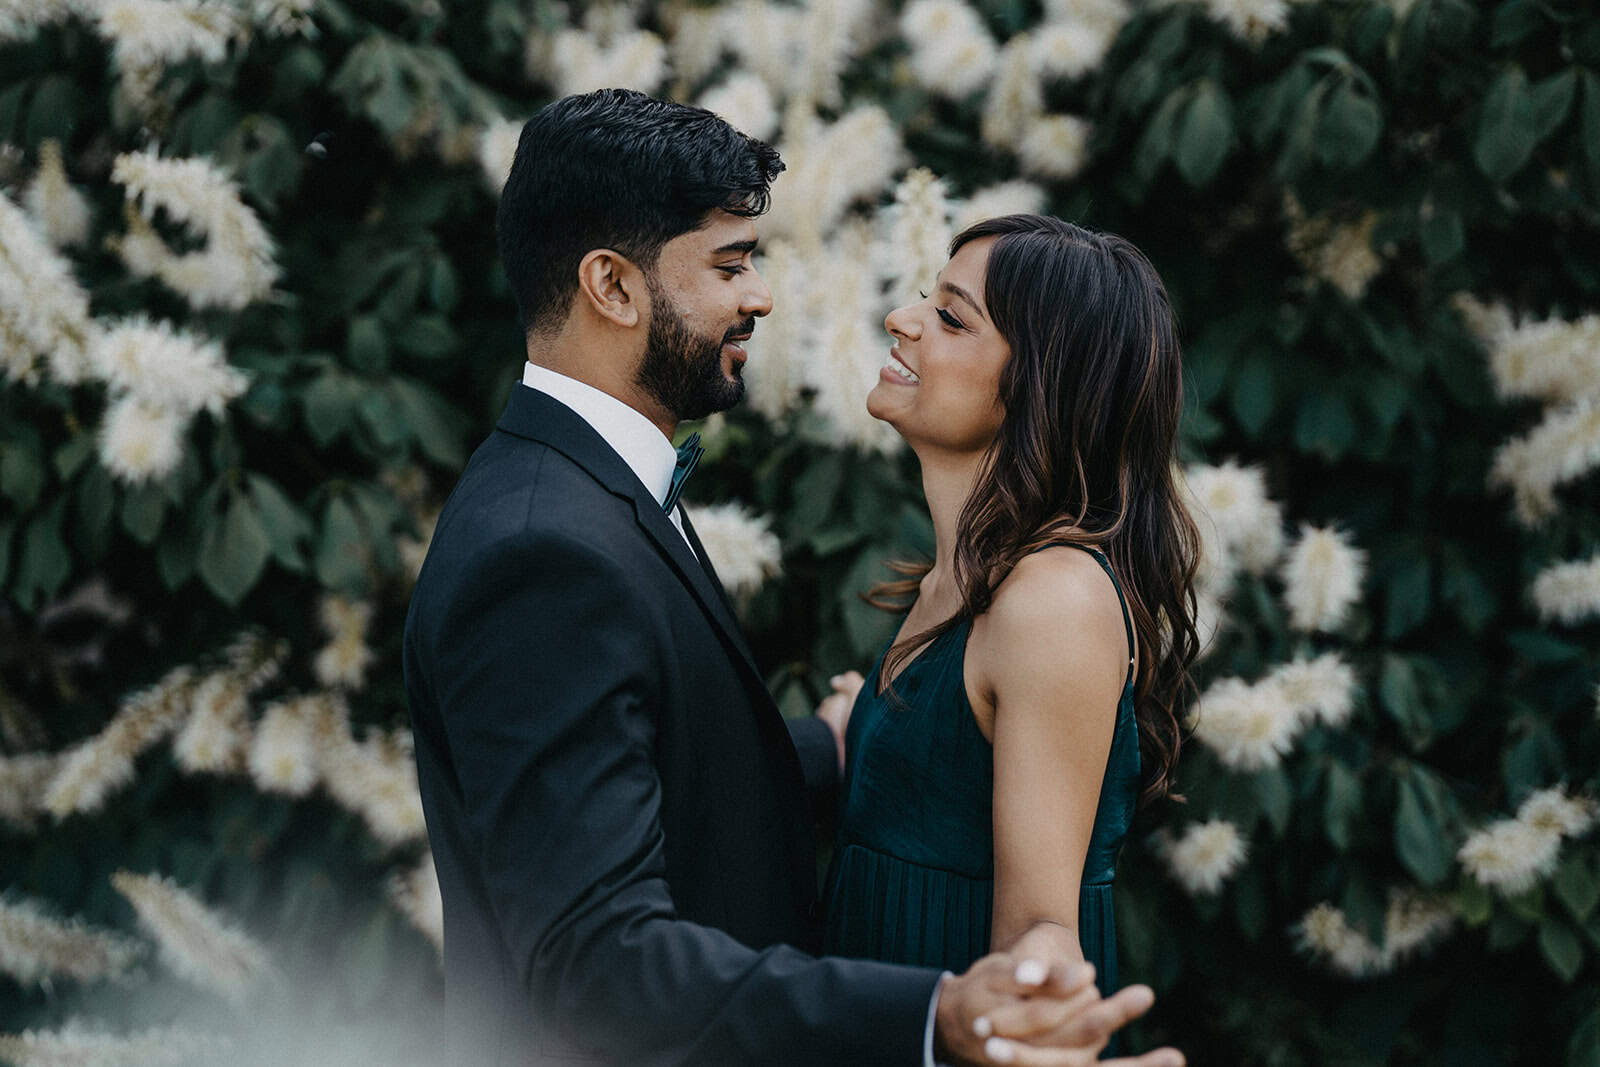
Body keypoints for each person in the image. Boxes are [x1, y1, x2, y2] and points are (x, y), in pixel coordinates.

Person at [404, 90, 1185, 1067]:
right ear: (612, 284)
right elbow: (596, 959)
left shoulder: (582, 496)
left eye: (948, 314)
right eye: (730, 264)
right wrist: (932, 1018)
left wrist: (829, 749)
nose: (762, 295)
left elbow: (651, 754)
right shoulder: (546, 547)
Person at [819, 215, 1201, 1059]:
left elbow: (1039, 924)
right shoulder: (952, 582)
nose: (903, 319)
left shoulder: (1050, 599)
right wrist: (860, 736)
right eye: (928, 297)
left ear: (1041, 387)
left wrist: (1042, 983)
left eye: (953, 318)